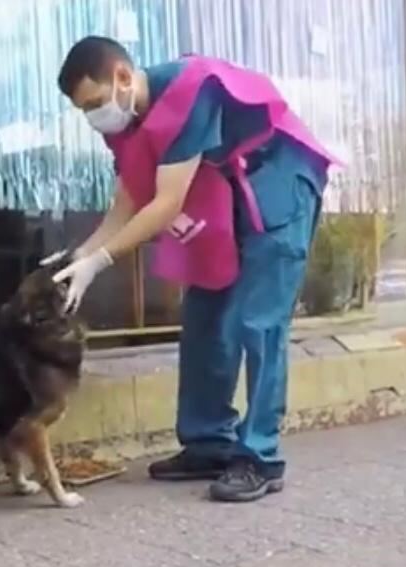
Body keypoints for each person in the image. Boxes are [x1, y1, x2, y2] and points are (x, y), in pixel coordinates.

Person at [50, 37, 338, 503]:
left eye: (97, 102)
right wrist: (79, 256)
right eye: (86, 109)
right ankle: (208, 442)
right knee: (205, 314)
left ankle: (259, 456)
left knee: (258, 322)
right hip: (224, 193)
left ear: (124, 76)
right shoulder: (124, 123)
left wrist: (102, 261)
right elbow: (125, 206)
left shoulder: (191, 88)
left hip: (278, 178)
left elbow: (165, 204)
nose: (95, 116)